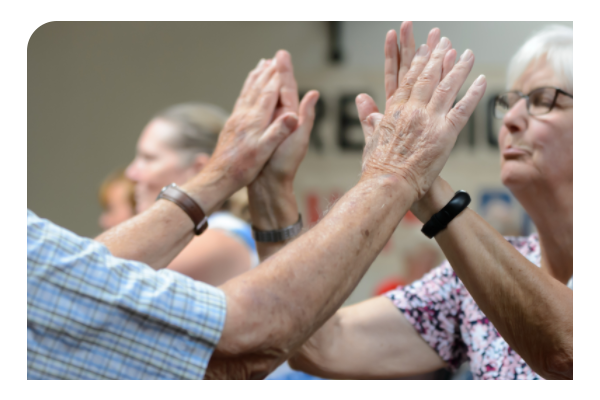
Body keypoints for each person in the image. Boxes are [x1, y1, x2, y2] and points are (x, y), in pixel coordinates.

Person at [28, 37, 485, 379]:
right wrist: (394, 177)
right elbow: (307, 342)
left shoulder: (221, 233)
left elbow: (262, 334)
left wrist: (394, 175)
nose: (131, 173)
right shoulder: (459, 294)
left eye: (546, 100)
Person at [289, 22, 572, 380]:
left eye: (544, 101)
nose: (512, 119)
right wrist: (275, 189)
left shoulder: (483, 269)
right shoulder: (473, 280)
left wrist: (419, 179)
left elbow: (570, 351)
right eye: (510, 103)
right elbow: (314, 344)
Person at [125, 102, 258, 286]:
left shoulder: (218, 239)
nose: (131, 173)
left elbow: (102, 277)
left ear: (199, 170)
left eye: (148, 158)